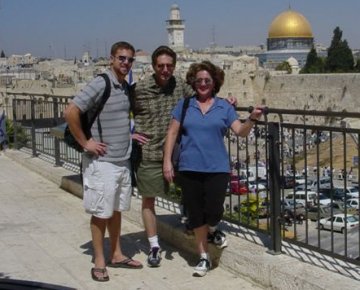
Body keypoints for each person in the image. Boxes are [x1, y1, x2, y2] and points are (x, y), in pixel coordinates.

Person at [162, 61, 263, 277]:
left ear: (214, 82)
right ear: (193, 83)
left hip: (217, 168)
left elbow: (240, 131)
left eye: (207, 80)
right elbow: (172, 133)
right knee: (196, 215)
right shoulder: (185, 105)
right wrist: (167, 161)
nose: (203, 84)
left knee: (214, 210)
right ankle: (204, 257)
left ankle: (214, 229)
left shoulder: (224, 107)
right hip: (189, 167)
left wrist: (252, 119)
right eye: (199, 81)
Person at [64, 41, 142, 282]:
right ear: (111, 58)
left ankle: (117, 254)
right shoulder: (103, 82)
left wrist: (127, 135)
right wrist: (86, 142)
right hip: (102, 162)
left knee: (116, 210)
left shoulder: (124, 86)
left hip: (121, 160)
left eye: (129, 59)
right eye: (121, 58)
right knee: (101, 212)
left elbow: (116, 116)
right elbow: (71, 111)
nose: (125, 63)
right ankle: (99, 260)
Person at [132, 45, 193, 267]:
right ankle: (154, 245)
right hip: (149, 151)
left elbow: (203, 97)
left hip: (176, 152)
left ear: (174, 66)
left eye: (169, 65)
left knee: (190, 189)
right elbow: (121, 111)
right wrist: (129, 133)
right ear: (153, 66)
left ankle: (191, 225)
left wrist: (227, 102)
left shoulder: (180, 86)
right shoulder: (139, 88)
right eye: (161, 66)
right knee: (149, 200)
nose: (165, 69)